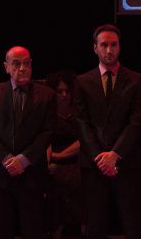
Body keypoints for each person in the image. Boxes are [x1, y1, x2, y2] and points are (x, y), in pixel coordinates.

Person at [74, 24, 141, 239]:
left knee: (133, 223)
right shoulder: (82, 81)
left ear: (119, 47)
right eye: (104, 45)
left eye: (113, 45)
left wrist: (115, 154)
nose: (109, 50)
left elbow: (137, 121)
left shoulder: (135, 79)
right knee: (95, 224)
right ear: (95, 48)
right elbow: (81, 123)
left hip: (127, 161)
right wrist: (100, 157)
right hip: (93, 163)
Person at [0, 46, 56, 239]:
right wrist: (6, 158)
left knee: (33, 231)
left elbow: (48, 132)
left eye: (26, 63)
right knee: (1, 232)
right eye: (16, 64)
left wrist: (24, 159)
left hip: (31, 175)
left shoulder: (46, 95)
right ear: (6, 67)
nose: (22, 68)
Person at [45, 70, 84, 238]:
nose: (64, 95)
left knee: (77, 180)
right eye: (59, 91)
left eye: (67, 91)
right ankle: (56, 230)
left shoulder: (79, 112)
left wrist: (58, 156)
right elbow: (45, 139)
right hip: (53, 163)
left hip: (77, 160)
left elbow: (84, 141)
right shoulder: (48, 113)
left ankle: (79, 229)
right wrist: (48, 161)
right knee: (54, 182)